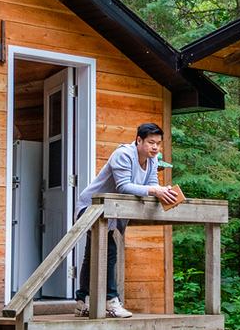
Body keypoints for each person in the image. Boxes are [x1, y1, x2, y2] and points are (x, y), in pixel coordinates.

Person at [75, 121, 183, 317]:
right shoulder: (123, 155)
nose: (155, 147)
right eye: (151, 142)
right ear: (139, 140)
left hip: (111, 212)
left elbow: (151, 185)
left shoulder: (152, 160)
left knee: (92, 256)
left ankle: (82, 301)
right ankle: (110, 301)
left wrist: (162, 192)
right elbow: (124, 186)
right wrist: (155, 190)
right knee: (109, 251)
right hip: (91, 208)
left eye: (158, 143)